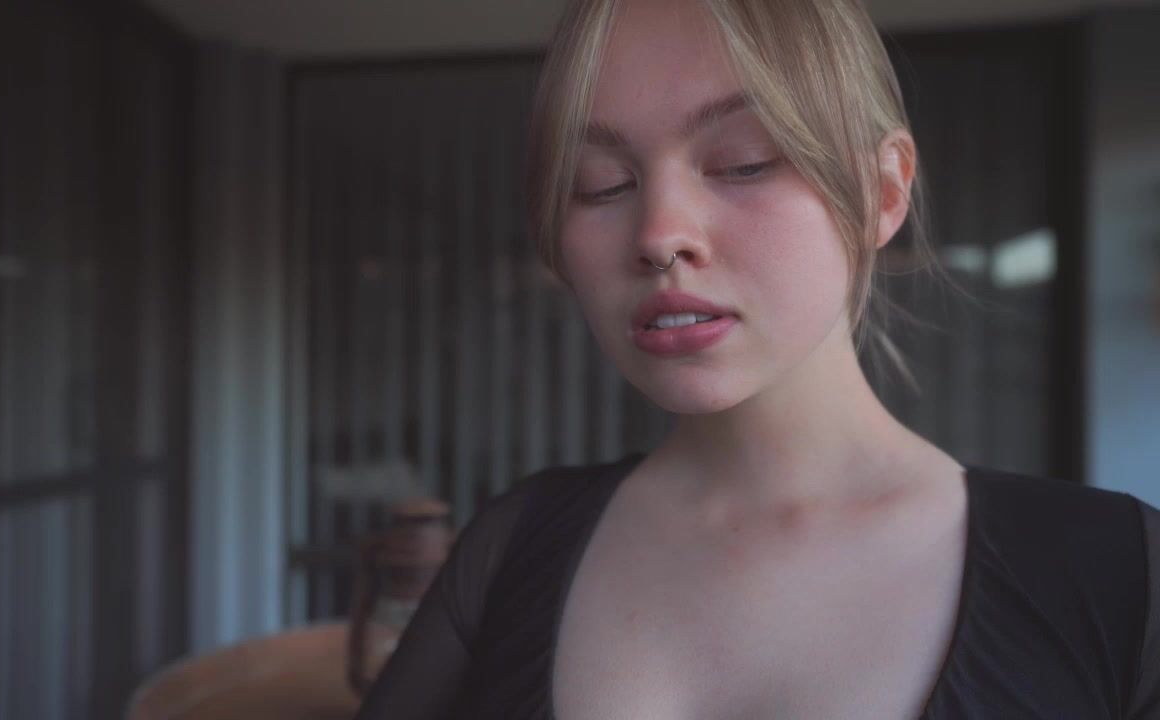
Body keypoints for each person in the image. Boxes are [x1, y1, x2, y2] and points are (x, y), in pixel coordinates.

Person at [354, 0, 1160, 717]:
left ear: (882, 192)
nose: (660, 234)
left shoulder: (1117, 572)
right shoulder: (512, 549)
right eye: (601, 184)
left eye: (743, 162)